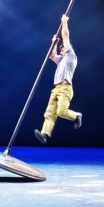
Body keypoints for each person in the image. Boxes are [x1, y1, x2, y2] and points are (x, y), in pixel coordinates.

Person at [34, 14, 82, 144]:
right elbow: (51, 56)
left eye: (63, 48)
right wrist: (54, 43)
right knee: (49, 113)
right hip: (56, 88)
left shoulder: (71, 56)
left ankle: (77, 116)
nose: (62, 49)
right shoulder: (61, 59)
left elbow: (66, 36)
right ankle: (45, 134)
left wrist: (64, 22)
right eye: (61, 48)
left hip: (66, 88)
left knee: (61, 112)